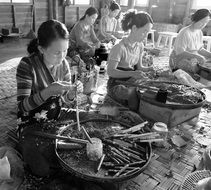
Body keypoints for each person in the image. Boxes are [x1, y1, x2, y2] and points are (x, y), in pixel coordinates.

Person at [16, 19, 85, 177]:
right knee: (42, 168)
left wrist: (72, 93)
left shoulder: (63, 64)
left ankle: (58, 146)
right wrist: (47, 92)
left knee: (89, 119)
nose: (62, 57)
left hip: (57, 114)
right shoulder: (27, 65)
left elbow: (66, 99)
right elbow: (22, 106)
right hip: (31, 121)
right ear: (41, 49)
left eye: (65, 51)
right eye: (56, 52)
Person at [106, 10, 154, 111]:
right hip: (117, 83)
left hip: (131, 81)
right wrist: (132, 74)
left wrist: (150, 69)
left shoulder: (140, 46)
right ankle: (134, 111)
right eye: (144, 31)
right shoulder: (119, 47)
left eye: (148, 32)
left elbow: (140, 67)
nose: (146, 35)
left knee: (150, 88)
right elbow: (110, 71)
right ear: (134, 28)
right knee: (131, 93)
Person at [169, 9, 211, 77]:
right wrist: (197, 56)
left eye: (205, 23)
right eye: (201, 22)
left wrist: (210, 55)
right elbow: (180, 52)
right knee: (201, 72)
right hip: (178, 59)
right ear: (195, 19)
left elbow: (200, 49)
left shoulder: (199, 32)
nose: (203, 25)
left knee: (204, 68)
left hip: (192, 59)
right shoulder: (185, 32)